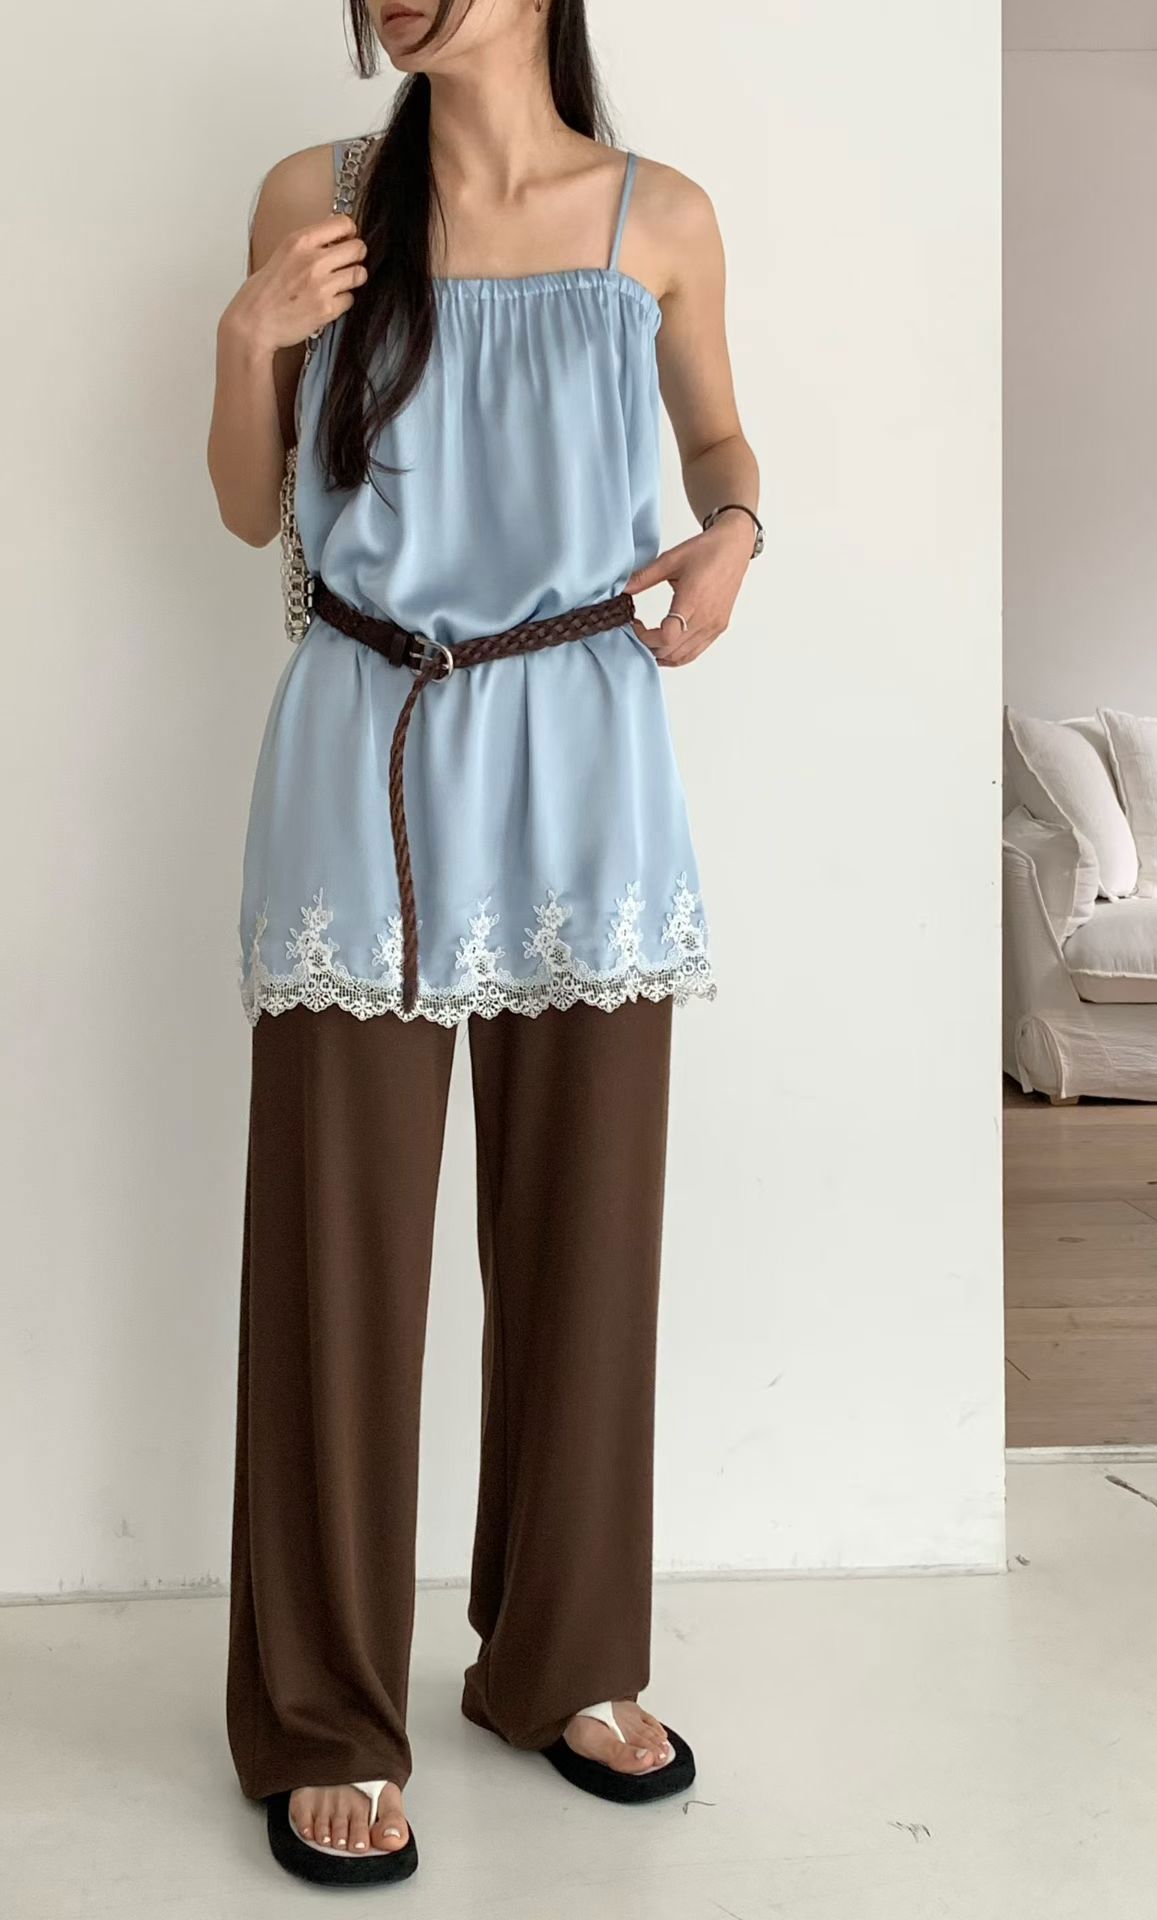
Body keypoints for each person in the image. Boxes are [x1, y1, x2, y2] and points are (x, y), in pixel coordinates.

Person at [207, 0, 759, 1888]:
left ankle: (562, 1657)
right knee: (336, 1256)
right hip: (363, 741)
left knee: (588, 1231)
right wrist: (246, 339)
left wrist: (736, 528)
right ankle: (323, 1716)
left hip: (589, 746)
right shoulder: (316, 196)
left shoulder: (659, 217)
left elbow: (718, 437)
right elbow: (245, 508)